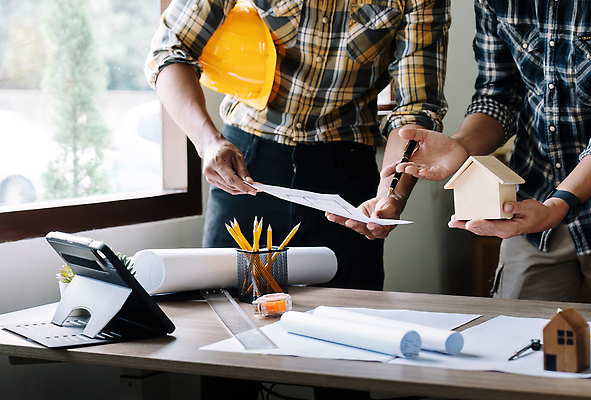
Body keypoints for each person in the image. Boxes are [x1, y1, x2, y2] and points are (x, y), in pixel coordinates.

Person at [145, 1, 448, 398]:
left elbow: (415, 108)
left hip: (345, 170)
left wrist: (391, 194)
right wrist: (208, 141)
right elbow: (170, 51)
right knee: (228, 344)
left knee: (346, 352)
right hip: (246, 162)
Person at [331, 0, 591, 307]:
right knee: (513, 346)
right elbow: (499, 96)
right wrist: (462, 147)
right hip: (530, 205)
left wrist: (558, 205)